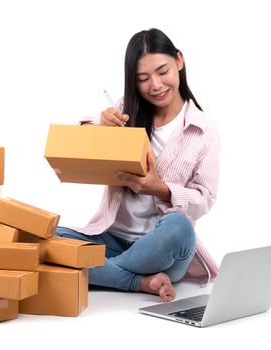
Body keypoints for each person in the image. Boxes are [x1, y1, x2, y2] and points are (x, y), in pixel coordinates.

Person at [55, 28, 220, 302]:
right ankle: (138, 281)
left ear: (179, 61)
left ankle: (104, 272)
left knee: (180, 226)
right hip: (111, 238)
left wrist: (161, 189)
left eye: (162, 71)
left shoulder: (202, 130)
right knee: (43, 238)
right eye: (142, 78)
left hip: (164, 249)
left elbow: (205, 199)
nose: (155, 86)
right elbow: (75, 145)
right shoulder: (124, 111)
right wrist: (99, 120)